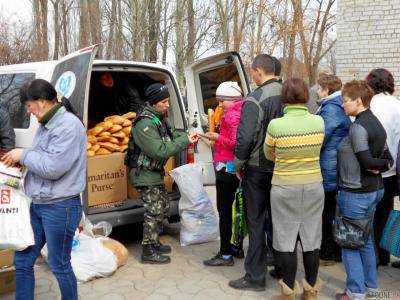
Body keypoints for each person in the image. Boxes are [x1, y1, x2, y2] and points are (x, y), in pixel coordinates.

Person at [1, 79, 86, 300]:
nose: (29, 112)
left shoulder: (69, 125)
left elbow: (53, 167)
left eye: (29, 106)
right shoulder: (47, 124)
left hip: (60, 207)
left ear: (40, 102)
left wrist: (24, 155)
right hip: (38, 204)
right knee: (23, 261)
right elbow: (43, 157)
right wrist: (23, 161)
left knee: (59, 264)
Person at [264, 78, 325, 300]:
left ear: (284, 98)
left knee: (286, 240)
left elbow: (268, 154)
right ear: (305, 97)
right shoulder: (318, 121)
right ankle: (310, 291)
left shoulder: (276, 125)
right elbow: (319, 148)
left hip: (284, 187)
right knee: (311, 239)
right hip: (313, 187)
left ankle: (288, 292)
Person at [126, 82, 199, 264]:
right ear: (154, 102)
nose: (168, 105)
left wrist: (187, 138)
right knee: (154, 210)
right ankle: (148, 250)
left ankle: (154, 241)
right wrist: (185, 142)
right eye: (164, 101)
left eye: (168, 101)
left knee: (163, 207)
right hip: (144, 173)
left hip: (154, 173)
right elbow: (159, 150)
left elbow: (174, 134)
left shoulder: (159, 119)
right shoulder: (144, 124)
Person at [229, 54, 283, 291]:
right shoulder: (291, 94)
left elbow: (246, 136)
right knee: (281, 221)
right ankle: (283, 269)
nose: (251, 75)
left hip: (258, 168)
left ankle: (255, 277)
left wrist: (238, 163)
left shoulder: (255, 98)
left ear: (259, 71)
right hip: (284, 168)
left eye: (252, 71)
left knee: (256, 221)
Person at [335, 80, 392, 300]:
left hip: (357, 193)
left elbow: (367, 160)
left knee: (350, 243)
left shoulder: (359, 126)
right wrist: (380, 167)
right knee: (366, 240)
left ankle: (355, 292)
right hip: (374, 191)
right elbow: (389, 160)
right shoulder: (375, 122)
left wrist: (374, 167)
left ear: (358, 101)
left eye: (346, 101)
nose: (343, 105)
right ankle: (371, 287)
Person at [202, 81, 244, 267]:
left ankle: (225, 254)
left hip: (226, 168)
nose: (219, 105)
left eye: (222, 101)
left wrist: (217, 137)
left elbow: (236, 143)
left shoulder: (232, 116)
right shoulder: (242, 111)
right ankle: (237, 246)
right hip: (233, 167)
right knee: (238, 210)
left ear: (232, 99)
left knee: (224, 210)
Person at [366, 68, 400, 268]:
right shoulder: (397, 105)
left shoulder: (370, 105)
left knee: (370, 214)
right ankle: (385, 254)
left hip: (372, 168)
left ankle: (374, 257)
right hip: (393, 169)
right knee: (386, 212)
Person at [316, 75, 351, 265]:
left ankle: (329, 251)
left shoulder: (331, 109)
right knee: (330, 210)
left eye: (319, 88)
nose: (317, 92)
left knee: (328, 211)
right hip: (333, 165)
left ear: (327, 90)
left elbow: (320, 137)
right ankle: (330, 248)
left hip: (329, 167)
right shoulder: (335, 105)